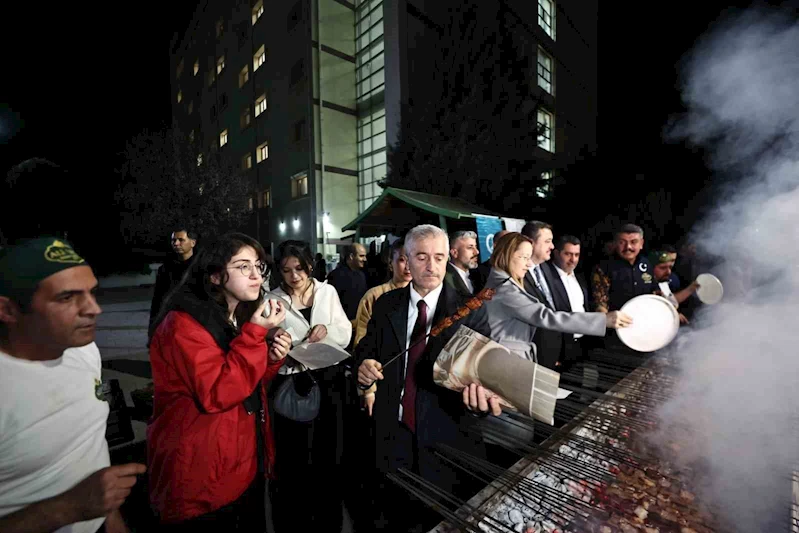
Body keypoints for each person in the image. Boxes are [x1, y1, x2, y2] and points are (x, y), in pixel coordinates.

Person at [355, 224, 500, 533]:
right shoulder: (385, 305)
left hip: (446, 438)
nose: (431, 266)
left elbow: (480, 376)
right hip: (392, 436)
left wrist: (479, 403)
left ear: (448, 258)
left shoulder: (469, 310)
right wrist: (364, 366)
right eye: (421, 257)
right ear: (405, 259)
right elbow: (366, 350)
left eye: (438, 257)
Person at [146, 232, 292, 530]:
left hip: (236, 465)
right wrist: (254, 335)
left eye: (258, 266)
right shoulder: (183, 324)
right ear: (214, 275)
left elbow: (246, 386)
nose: (256, 275)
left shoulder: (232, 316)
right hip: (200, 478)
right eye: (243, 266)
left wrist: (272, 358)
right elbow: (218, 392)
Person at [0, 237, 145, 533]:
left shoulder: (83, 350)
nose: (94, 309)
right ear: (8, 311)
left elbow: (89, 450)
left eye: (92, 293)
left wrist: (111, 518)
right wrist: (67, 509)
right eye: (67, 298)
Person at [266, 240, 352, 532]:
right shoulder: (273, 298)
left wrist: (328, 330)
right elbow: (266, 336)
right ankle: (297, 520)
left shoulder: (326, 292)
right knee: (295, 456)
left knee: (329, 454)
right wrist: (277, 338)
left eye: (299, 269)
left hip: (328, 381)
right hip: (293, 380)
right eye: (287, 270)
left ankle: (329, 520)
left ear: (309, 266)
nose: (294, 277)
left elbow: (345, 331)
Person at [483, 232, 632, 363]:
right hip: (508, 361)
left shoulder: (498, 283)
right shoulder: (505, 289)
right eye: (523, 257)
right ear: (507, 255)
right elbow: (547, 317)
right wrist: (603, 320)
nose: (529, 264)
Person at [353, 238, 413, 348]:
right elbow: (361, 337)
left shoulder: (421, 297)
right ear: (390, 263)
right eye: (402, 260)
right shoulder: (374, 295)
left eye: (412, 260)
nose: (408, 266)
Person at [149, 228, 197, 329]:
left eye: (181, 240)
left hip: (196, 324)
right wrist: (152, 329)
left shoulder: (202, 267)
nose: (176, 243)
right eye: (173, 240)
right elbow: (157, 301)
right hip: (171, 325)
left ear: (193, 243)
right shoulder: (165, 269)